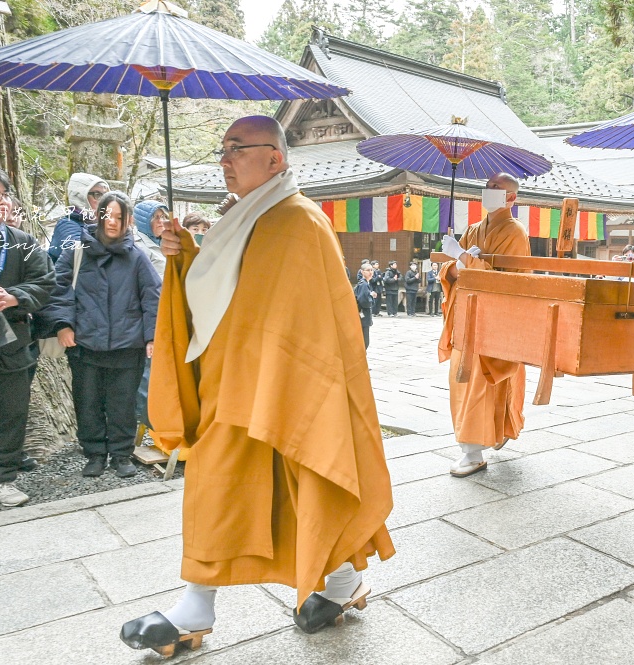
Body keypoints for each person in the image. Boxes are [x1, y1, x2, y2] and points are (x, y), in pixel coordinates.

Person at [120, 116, 393, 654]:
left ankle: (340, 581)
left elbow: (313, 318)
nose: (225, 159)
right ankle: (197, 604)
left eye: (237, 149)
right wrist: (184, 256)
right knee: (218, 482)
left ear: (275, 158)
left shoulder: (298, 221)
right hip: (236, 384)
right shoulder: (245, 215)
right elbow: (225, 291)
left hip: (287, 386)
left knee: (307, 479)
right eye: (222, 149)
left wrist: (296, 382)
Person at [40, 192, 161, 479]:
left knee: (123, 402)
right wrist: (63, 325)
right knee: (88, 401)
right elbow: (59, 290)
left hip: (126, 343)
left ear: (128, 220)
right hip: (85, 343)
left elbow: (152, 297)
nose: (113, 222)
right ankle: (94, 454)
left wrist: (151, 336)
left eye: (120, 217)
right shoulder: (77, 252)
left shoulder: (136, 257)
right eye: (108, 215)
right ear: (99, 216)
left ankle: (121, 454)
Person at [439, 173, 530, 477]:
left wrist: (463, 257)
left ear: (511, 198)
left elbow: (507, 281)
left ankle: (472, 451)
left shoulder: (515, 232)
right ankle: (489, 433)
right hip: (467, 315)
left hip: (495, 319)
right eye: (488, 186)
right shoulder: (474, 229)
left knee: (480, 381)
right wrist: (454, 261)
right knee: (461, 380)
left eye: (497, 188)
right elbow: (452, 271)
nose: (489, 190)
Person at [0, 167, 55, 507]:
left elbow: (45, 282)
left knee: (9, 411)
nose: (2, 201)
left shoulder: (22, 242)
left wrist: (13, 297)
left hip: (12, 339)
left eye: (4, 195)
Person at [49, 173, 108, 263]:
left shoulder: (100, 222)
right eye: (97, 194)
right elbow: (80, 255)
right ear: (80, 196)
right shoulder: (67, 224)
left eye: (105, 195)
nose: (103, 200)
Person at [133, 201, 168, 277]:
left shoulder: (164, 240)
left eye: (162, 216)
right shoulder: (138, 247)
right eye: (155, 217)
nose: (161, 221)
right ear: (144, 222)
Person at [354, 264, 375, 349]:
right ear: (362, 272)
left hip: (363, 315)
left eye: (371, 270)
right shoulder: (363, 284)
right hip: (363, 314)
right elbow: (363, 301)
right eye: (368, 270)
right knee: (364, 342)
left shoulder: (365, 283)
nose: (370, 272)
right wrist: (371, 297)